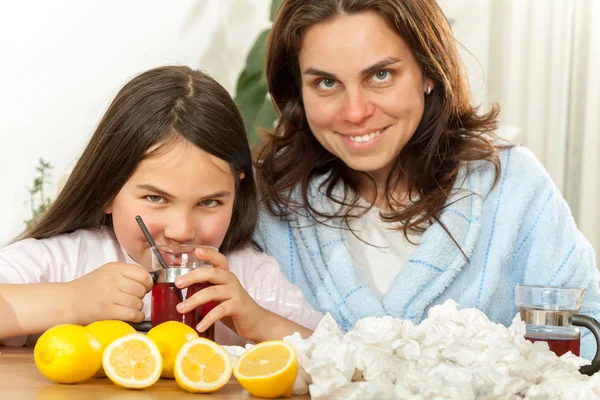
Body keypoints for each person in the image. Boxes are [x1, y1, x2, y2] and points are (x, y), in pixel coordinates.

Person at [254, 0, 600, 359]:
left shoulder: (515, 187)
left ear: (428, 72)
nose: (355, 112)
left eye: (381, 75)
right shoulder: (271, 208)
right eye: (326, 82)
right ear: (299, 91)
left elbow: (589, 342)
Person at [0, 66, 322, 346]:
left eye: (209, 202)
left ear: (237, 189)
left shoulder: (251, 277)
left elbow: (343, 358)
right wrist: (72, 300)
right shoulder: (66, 261)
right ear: (108, 190)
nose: (181, 230)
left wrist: (261, 322)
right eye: (156, 198)